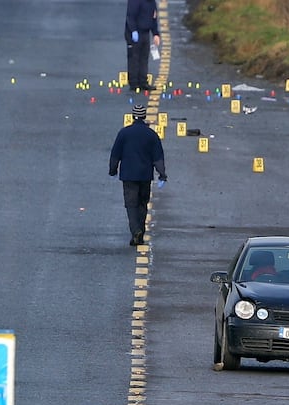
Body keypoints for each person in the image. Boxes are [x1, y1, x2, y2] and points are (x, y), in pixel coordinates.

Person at [109, 104, 167, 246]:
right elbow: (158, 158)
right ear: (144, 116)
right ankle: (140, 230)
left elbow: (115, 154)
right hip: (145, 175)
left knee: (131, 205)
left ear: (132, 116)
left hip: (128, 175)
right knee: (142, 204)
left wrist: (113, 170)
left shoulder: (124, 133)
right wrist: (162, 174)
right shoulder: (151, 135)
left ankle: (135, 231)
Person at [124, 0, 161, 91]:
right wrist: (133, 30)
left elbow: (153, 18)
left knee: (144, 58)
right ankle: (134, 83)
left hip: (145, 32)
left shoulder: (152, 2)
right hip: (134, 33)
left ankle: (143, 82)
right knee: (134, 58)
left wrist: (155, 34)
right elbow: (130, 16)